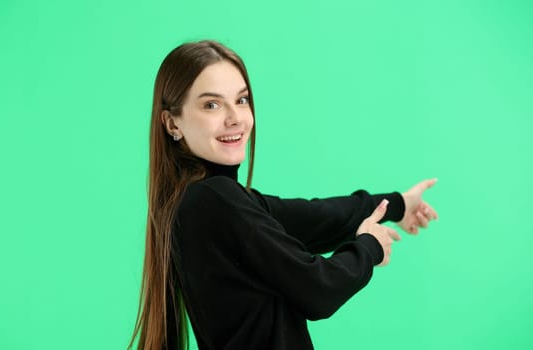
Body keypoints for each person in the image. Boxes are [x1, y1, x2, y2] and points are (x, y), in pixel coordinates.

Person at [128, 40, 438, 350]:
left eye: (242, 100)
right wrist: (370, 248)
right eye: (211, 104)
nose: (234, 117)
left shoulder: (209, 201)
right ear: (172, 124)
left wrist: (398, 205)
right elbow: (318, 289)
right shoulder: (215, 200)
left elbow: (317, 217)